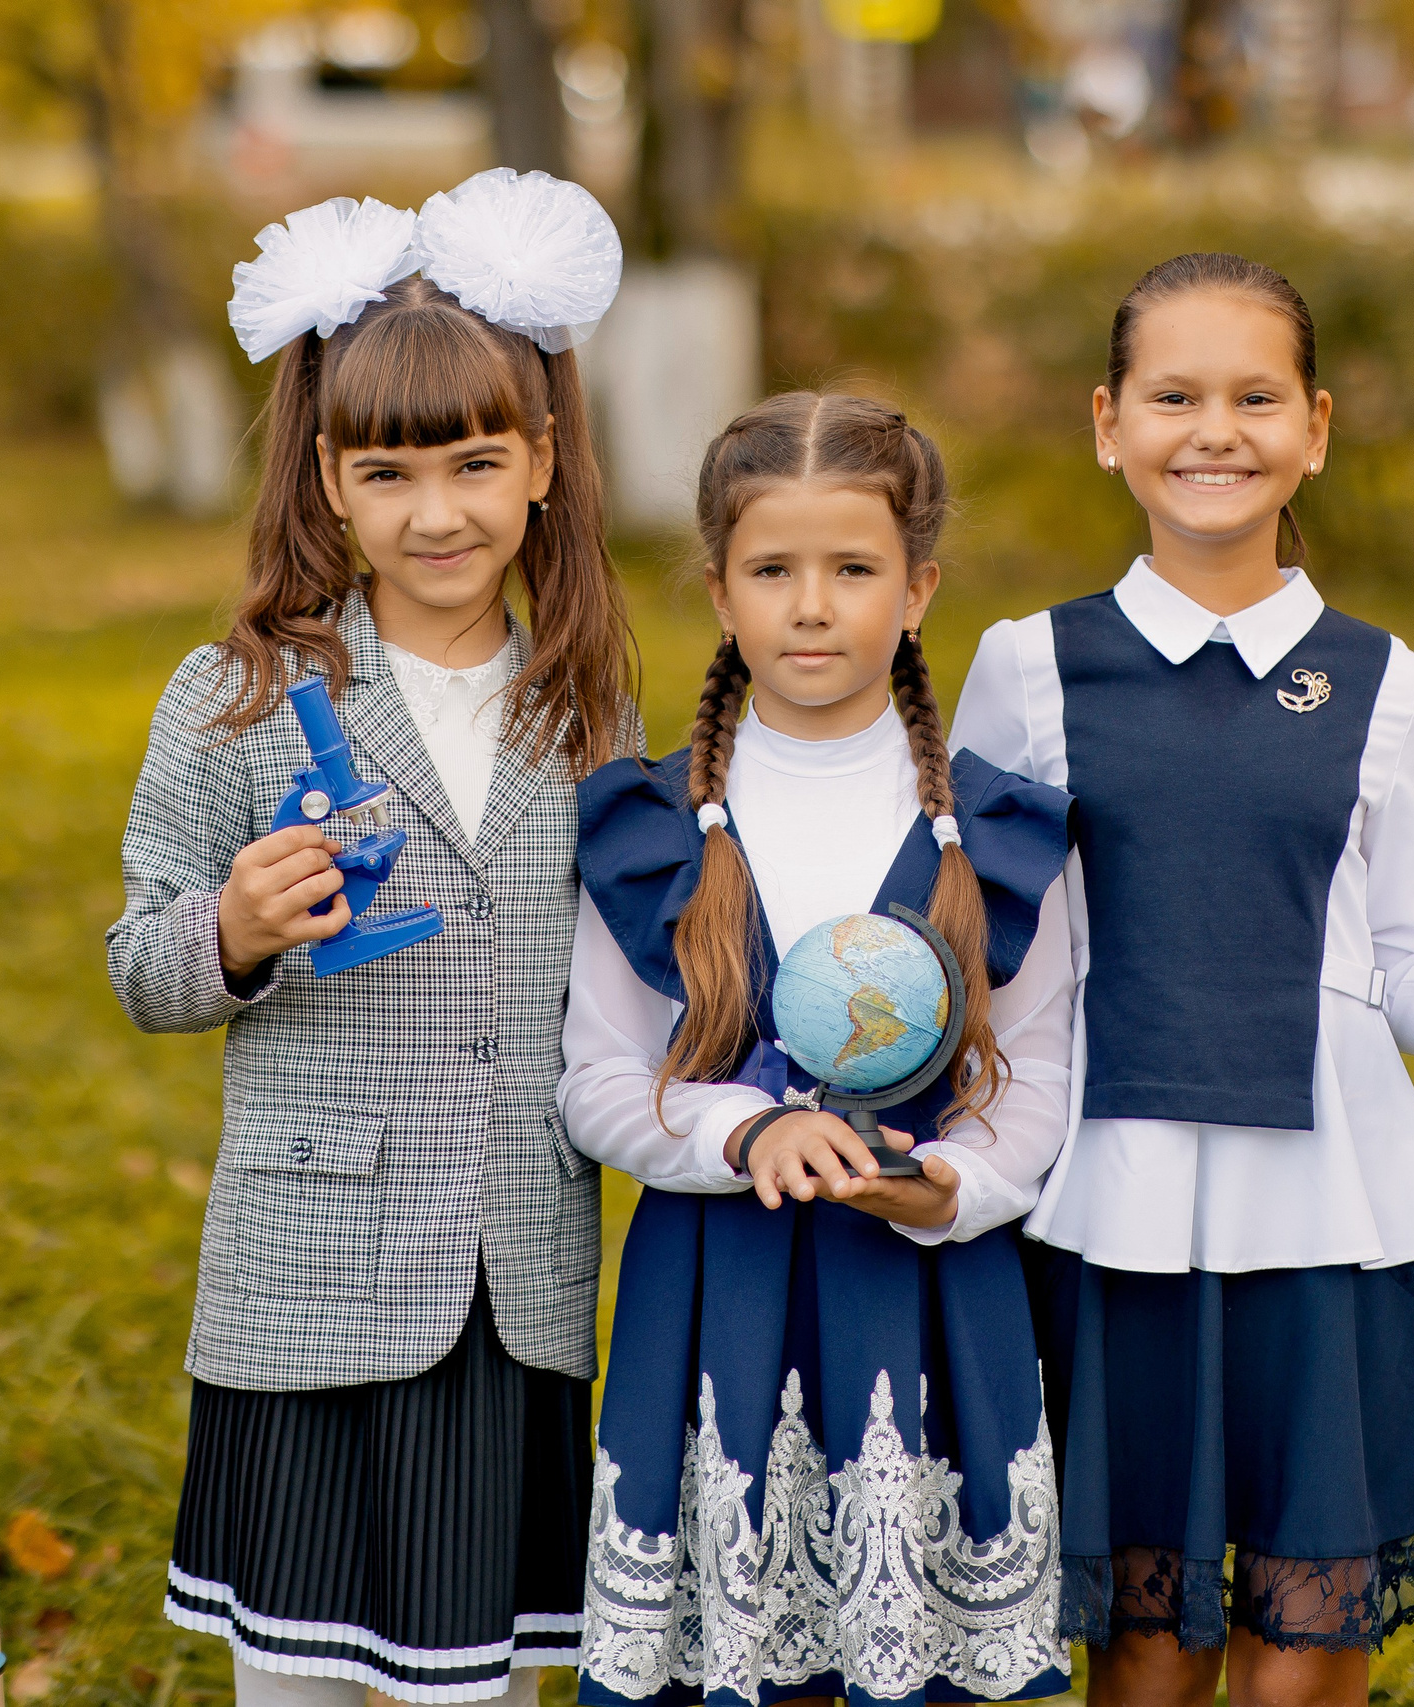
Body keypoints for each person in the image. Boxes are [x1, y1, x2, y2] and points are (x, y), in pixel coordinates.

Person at [950, 252, 1414, 1707]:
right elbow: (980, 946)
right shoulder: (1031, 667)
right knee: (1149, 1659)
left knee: (1307, 1656)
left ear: (1317, 428)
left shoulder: (1386, 680)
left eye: (1254, 397)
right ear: (1109, 423)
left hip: (1330, 1220)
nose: (1213, 430)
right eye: (1175, 396)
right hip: (1120, 1211)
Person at [105, 170, 638, 1707]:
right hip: (310, 1280)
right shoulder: (242, 697)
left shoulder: (589, 702)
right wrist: (233, 930)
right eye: (391, 473)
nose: (439, 512)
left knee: (475, 1681)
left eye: (478, 463)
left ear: (543, 462)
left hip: (512, 1283)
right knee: (297, 1678)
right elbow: (143, 962)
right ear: (329, 482)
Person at [564, 393, 1077, 1707]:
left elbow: (1036, 1093)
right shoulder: (651, 821)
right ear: (721, 592)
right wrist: (742, 1131)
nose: (810, 606)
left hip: (927, 1303)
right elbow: (603, 1082)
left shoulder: (1002, 835)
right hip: (717, 1293)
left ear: (918, 590)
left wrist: (942, 1189)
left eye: (851, 570)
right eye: (771, 571)